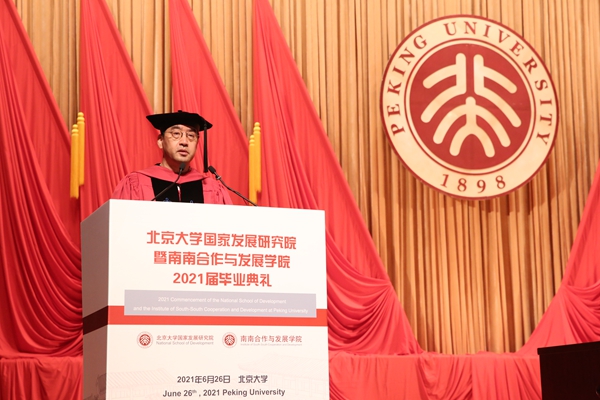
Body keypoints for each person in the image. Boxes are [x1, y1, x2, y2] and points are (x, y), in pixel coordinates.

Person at [112, 110, 232, 204]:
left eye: (191, 135)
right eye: (176, 134)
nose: (184, 142)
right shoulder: (136, 183)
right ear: (160, 141)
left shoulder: (212, 188)